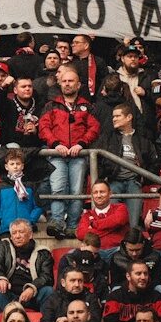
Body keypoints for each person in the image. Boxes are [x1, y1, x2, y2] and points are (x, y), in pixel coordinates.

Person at [39, 67, 99, 237]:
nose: (67, 84)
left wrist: (81, 144)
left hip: (78, 155)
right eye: (64, 81)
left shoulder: (87, 106)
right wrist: (55, 144)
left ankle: (73, 225)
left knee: (76, 192)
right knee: (57, 188)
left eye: (70, 81)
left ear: (79, 84)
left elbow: (94, 128)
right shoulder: (51, 105)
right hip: (56, 154)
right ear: (60, 83)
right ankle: (57, 222)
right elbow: (43, 128)